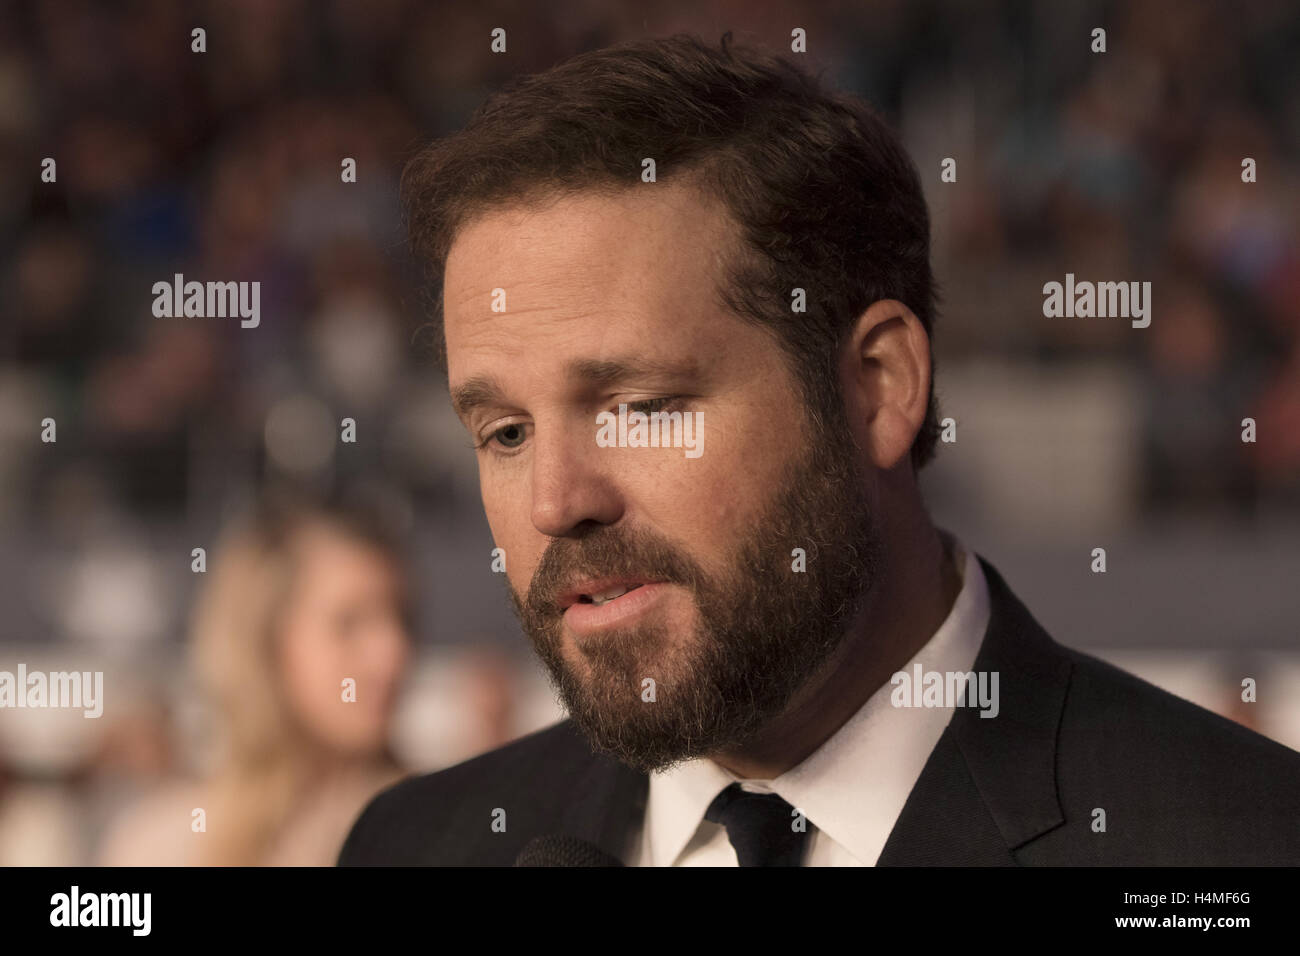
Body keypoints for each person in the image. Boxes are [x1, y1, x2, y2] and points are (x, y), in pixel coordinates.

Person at [339, 34, 1300, 866]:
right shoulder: (418, 846)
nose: (556, 501)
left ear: (879, 387)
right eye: (505, 432)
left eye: (639, 406)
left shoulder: (1233, 848)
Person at [99, 490, 411, 866]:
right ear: (263, 641)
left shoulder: (444, 828)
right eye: (349, 623)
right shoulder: (164, 844)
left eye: (403, 619)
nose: (393, 652)